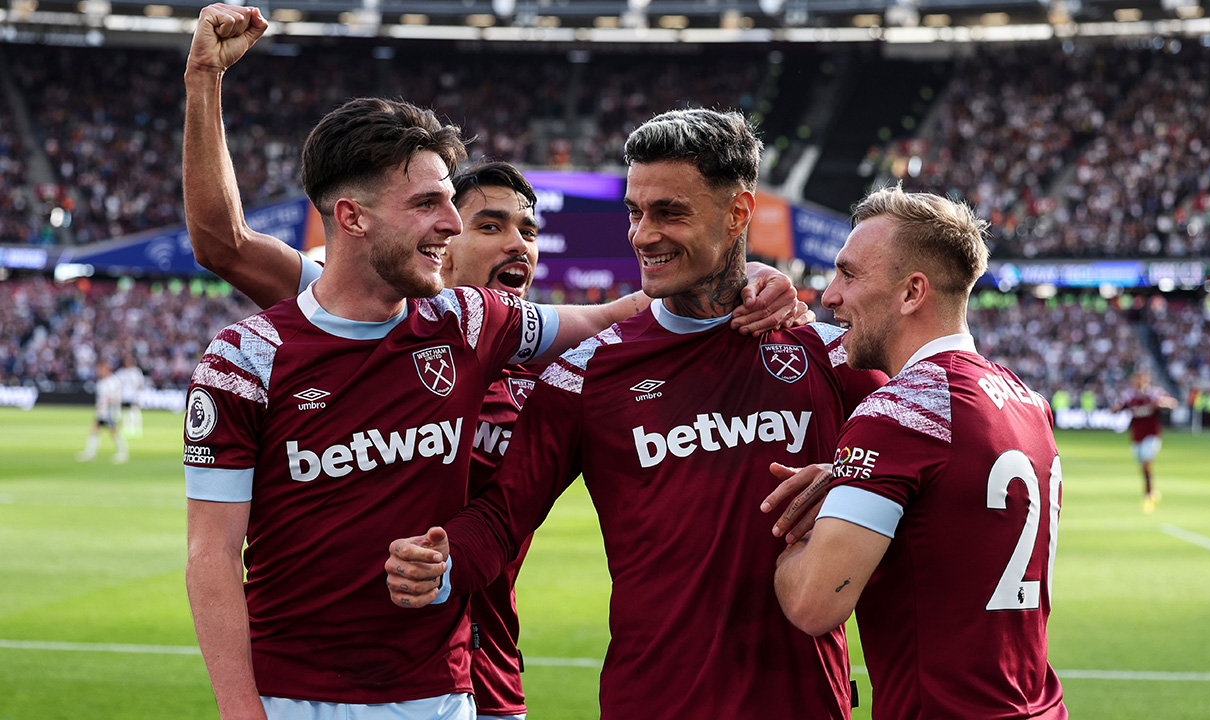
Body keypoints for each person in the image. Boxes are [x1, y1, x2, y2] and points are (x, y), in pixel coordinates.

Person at [181, 7, 805, 720]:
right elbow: (222, 242)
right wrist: (204, 80)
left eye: (528, 229)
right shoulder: (276, 341)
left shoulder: (495, 332)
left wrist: (748, 275)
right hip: (309, 684)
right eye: (480, 221)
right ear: (355, 219)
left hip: (471, 685)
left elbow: (633, 313)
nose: (507, 242)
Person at [384, 108, 886, 720]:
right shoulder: (586, 373)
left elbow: (927, 471)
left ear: (738, 213)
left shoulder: (828, 356)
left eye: (669, 212)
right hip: (652, 702)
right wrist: (442, 562)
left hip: (802, 701)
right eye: (634, 212)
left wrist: (852, 480)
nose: (643, 235)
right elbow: (502, 515)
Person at [765, 185, 1068, 719]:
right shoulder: (1028, 402)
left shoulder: (901, 412)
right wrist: (849, 482)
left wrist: (791, 537)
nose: (829, 295)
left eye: (849, 274)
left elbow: (815, 603)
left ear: (912, 293)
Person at [1113, 370, 1176, 513]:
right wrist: (1116, 409)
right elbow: (1116, 408)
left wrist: (1162, 404)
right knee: (1143, 465)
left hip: (1152, 435)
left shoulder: (1154, 393)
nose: (1139, 382)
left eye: (1142, 379)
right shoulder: (1129, 395)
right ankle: (1151, 490)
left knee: (1147, 462)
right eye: (1137, 379)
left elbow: (1172, 402)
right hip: (1137, 436)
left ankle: (1148, 494)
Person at [77, 361, 127, 464]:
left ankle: (122, 453)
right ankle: (91, 452)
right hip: (103, 411)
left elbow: (116, 397)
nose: (100, 371)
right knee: (95, 429)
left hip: (110, 411)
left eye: (102, 369)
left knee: (114, 431)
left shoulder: (112, 381)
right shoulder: (102, 382)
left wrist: (106, 403)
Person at [116, 353, 146, 439]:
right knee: (126, 413)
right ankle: (127, 428)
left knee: (135, 412)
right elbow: (118, 384)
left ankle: (137, 429)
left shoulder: (136, 372)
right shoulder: (121, 373)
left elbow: (141, 384)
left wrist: (138, 394)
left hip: (134, 395)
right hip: (125, 396)